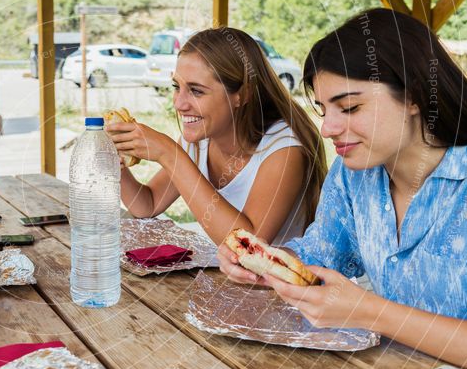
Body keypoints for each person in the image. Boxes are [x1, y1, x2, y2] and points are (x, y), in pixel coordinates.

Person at [218, 8, 467, 369]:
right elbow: (318, 256)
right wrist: (261, 261)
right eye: (324, 109)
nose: (327, 128)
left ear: (414, 97)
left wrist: (373, 313)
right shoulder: (353, 174)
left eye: (350, 107)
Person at [107, 27, 326, 246]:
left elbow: (247, 246)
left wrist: (170, 155)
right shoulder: (199, 141)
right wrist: (114, 161)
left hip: (281, 279)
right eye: (177, 87)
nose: (179, 103)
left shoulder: (285, 150)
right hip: (228, 277)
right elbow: (148, 204)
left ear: (242, 95)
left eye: (196, 90)